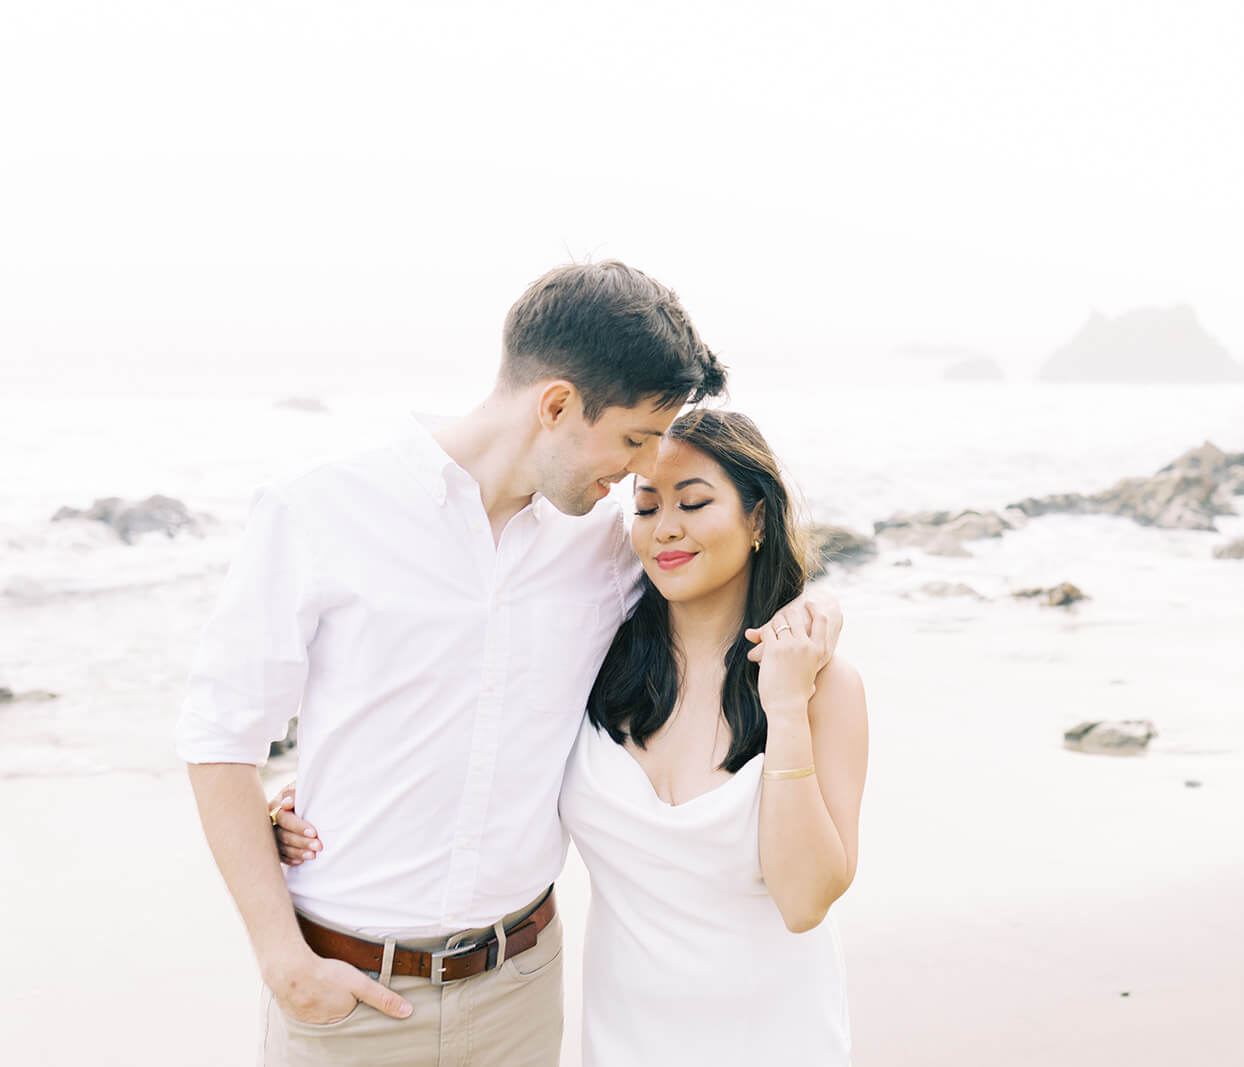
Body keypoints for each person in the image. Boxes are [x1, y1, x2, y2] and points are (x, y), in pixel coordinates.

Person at [177, 260, 840, 1067]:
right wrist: (282, 959)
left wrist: (817, 610)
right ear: (557, 404)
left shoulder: (604, 541)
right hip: (346, 994)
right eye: (633, 440)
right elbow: (219, 737)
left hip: (521, 987)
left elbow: (722, 559)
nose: (638, 474)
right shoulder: (319, 512)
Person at [275, 409, 869, 1065]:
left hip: (777, 1038)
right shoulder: (599, 661)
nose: (666, 525)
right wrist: (325, 796)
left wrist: (784, 707)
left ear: (759, 519)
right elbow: (471, 728)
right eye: (645, 507)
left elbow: (805, 899)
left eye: (694, 503)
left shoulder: (824, 687)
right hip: (625, 1039)